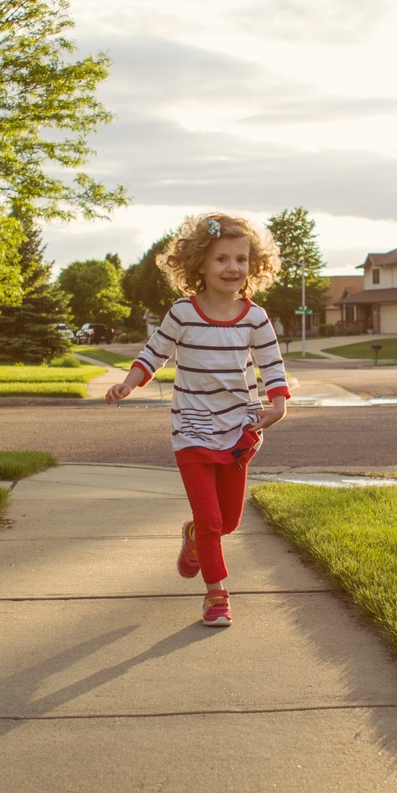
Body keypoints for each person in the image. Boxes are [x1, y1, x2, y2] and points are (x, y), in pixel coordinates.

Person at [105, 212, 290, 627]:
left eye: (241, 259)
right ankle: (216, 594)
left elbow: (272, 364)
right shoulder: (183, 313)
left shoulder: (255, 317)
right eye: (222, 259)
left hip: (238, 429)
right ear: (200, 265)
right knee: (210, 520)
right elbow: (155, 353)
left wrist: (279, 403)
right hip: (191, 429)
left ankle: (193, 539)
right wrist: (129, 382)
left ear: (253, 265)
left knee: (227, 521)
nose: (232, 268)